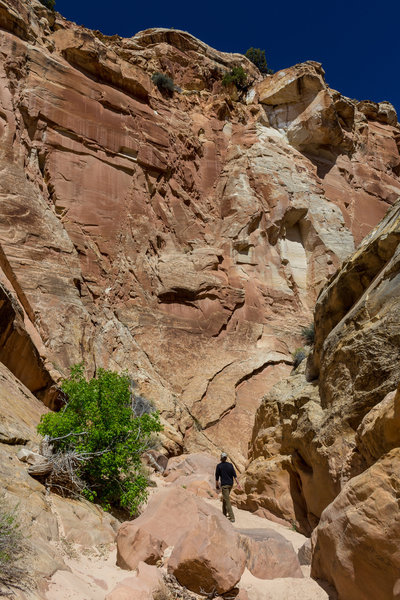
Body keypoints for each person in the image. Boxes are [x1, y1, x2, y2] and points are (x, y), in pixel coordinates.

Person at [215, 452, 241, 523]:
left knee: (227, 500)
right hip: (230, 484)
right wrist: (238, 483)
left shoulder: (219, 466)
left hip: (225, 485)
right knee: (225, 498)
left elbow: (217, 477)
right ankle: (224, 514)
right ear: (226, 458)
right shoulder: (230, 465)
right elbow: (234, 475)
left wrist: (217, 485)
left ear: (221, 458)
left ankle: (232, 517)